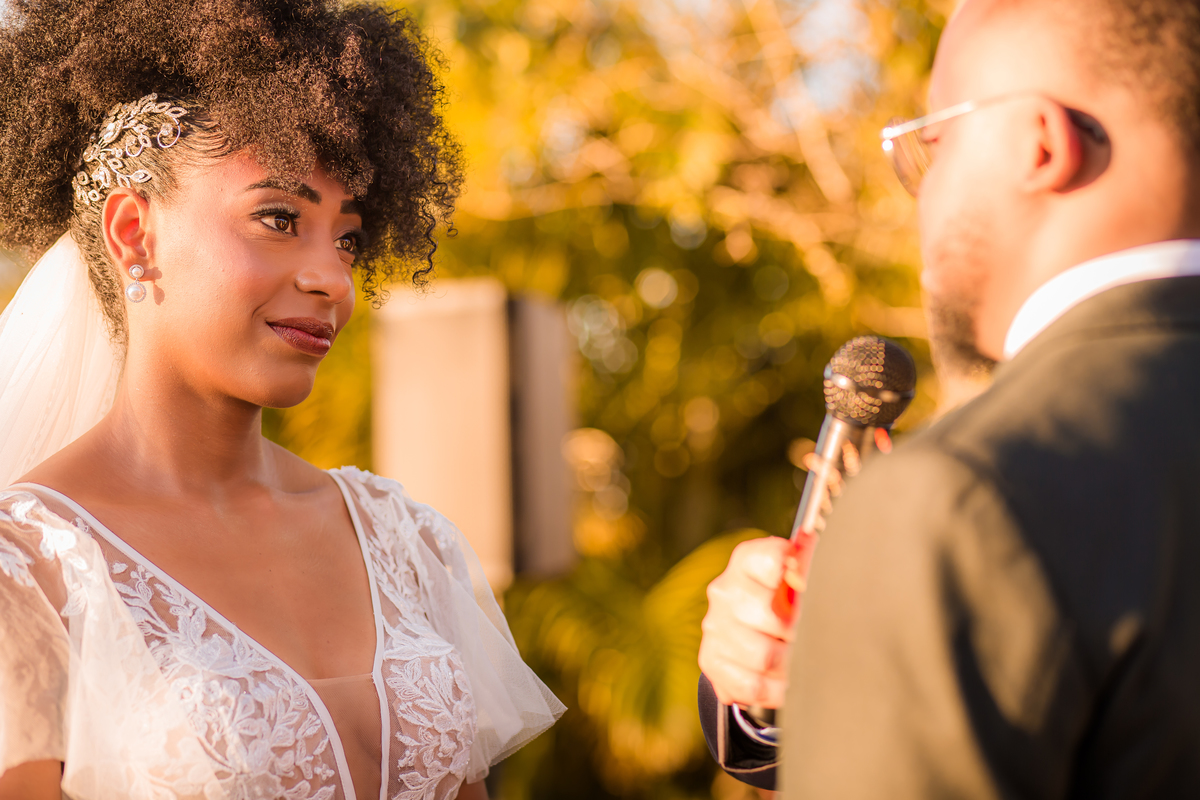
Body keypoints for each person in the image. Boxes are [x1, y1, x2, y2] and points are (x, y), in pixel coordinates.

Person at [0, 1, 564, 798]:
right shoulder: (28, 574)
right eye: (277, 218)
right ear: (134, 233)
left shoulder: (404, 543)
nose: (332, 280)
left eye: (348, 239)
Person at [698, 0, 1200, 795]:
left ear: (1039, 143)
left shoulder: (966, 496)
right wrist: (826, 672)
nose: (918, 198)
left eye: (929, 146)